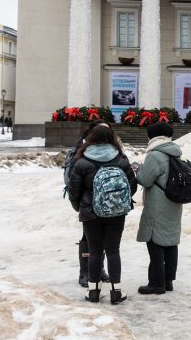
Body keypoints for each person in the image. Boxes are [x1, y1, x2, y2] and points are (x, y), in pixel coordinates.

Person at [68, 125, 137, 304]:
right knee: (113, 251)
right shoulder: (121, 159)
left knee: (95, 251)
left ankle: (93, 292)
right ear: (112, 138)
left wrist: (81, 207)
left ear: (90, 138)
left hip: (91, 213)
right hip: (116, 213)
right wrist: (119, 202)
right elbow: (132, 186)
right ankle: (116, 292)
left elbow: (74, 190)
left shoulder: (82, 161)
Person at [136, 122, 184, 295]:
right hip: (174, 203)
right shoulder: (175, 153)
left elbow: (144, 180)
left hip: (158, 204)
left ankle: (156, 284)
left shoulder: (155, 155)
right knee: (170, 242)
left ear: (153, 137)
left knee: (155, 243)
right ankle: (168, 281)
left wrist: (138, 170)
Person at [67, 119, 112, 287]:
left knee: (104, 240)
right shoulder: (82, 150)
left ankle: (99, 269)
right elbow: (74, 181)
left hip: (108, 204)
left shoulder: (113, 150)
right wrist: (80, 205)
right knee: (87, 239)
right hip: (89, 204)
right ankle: (85, 272)